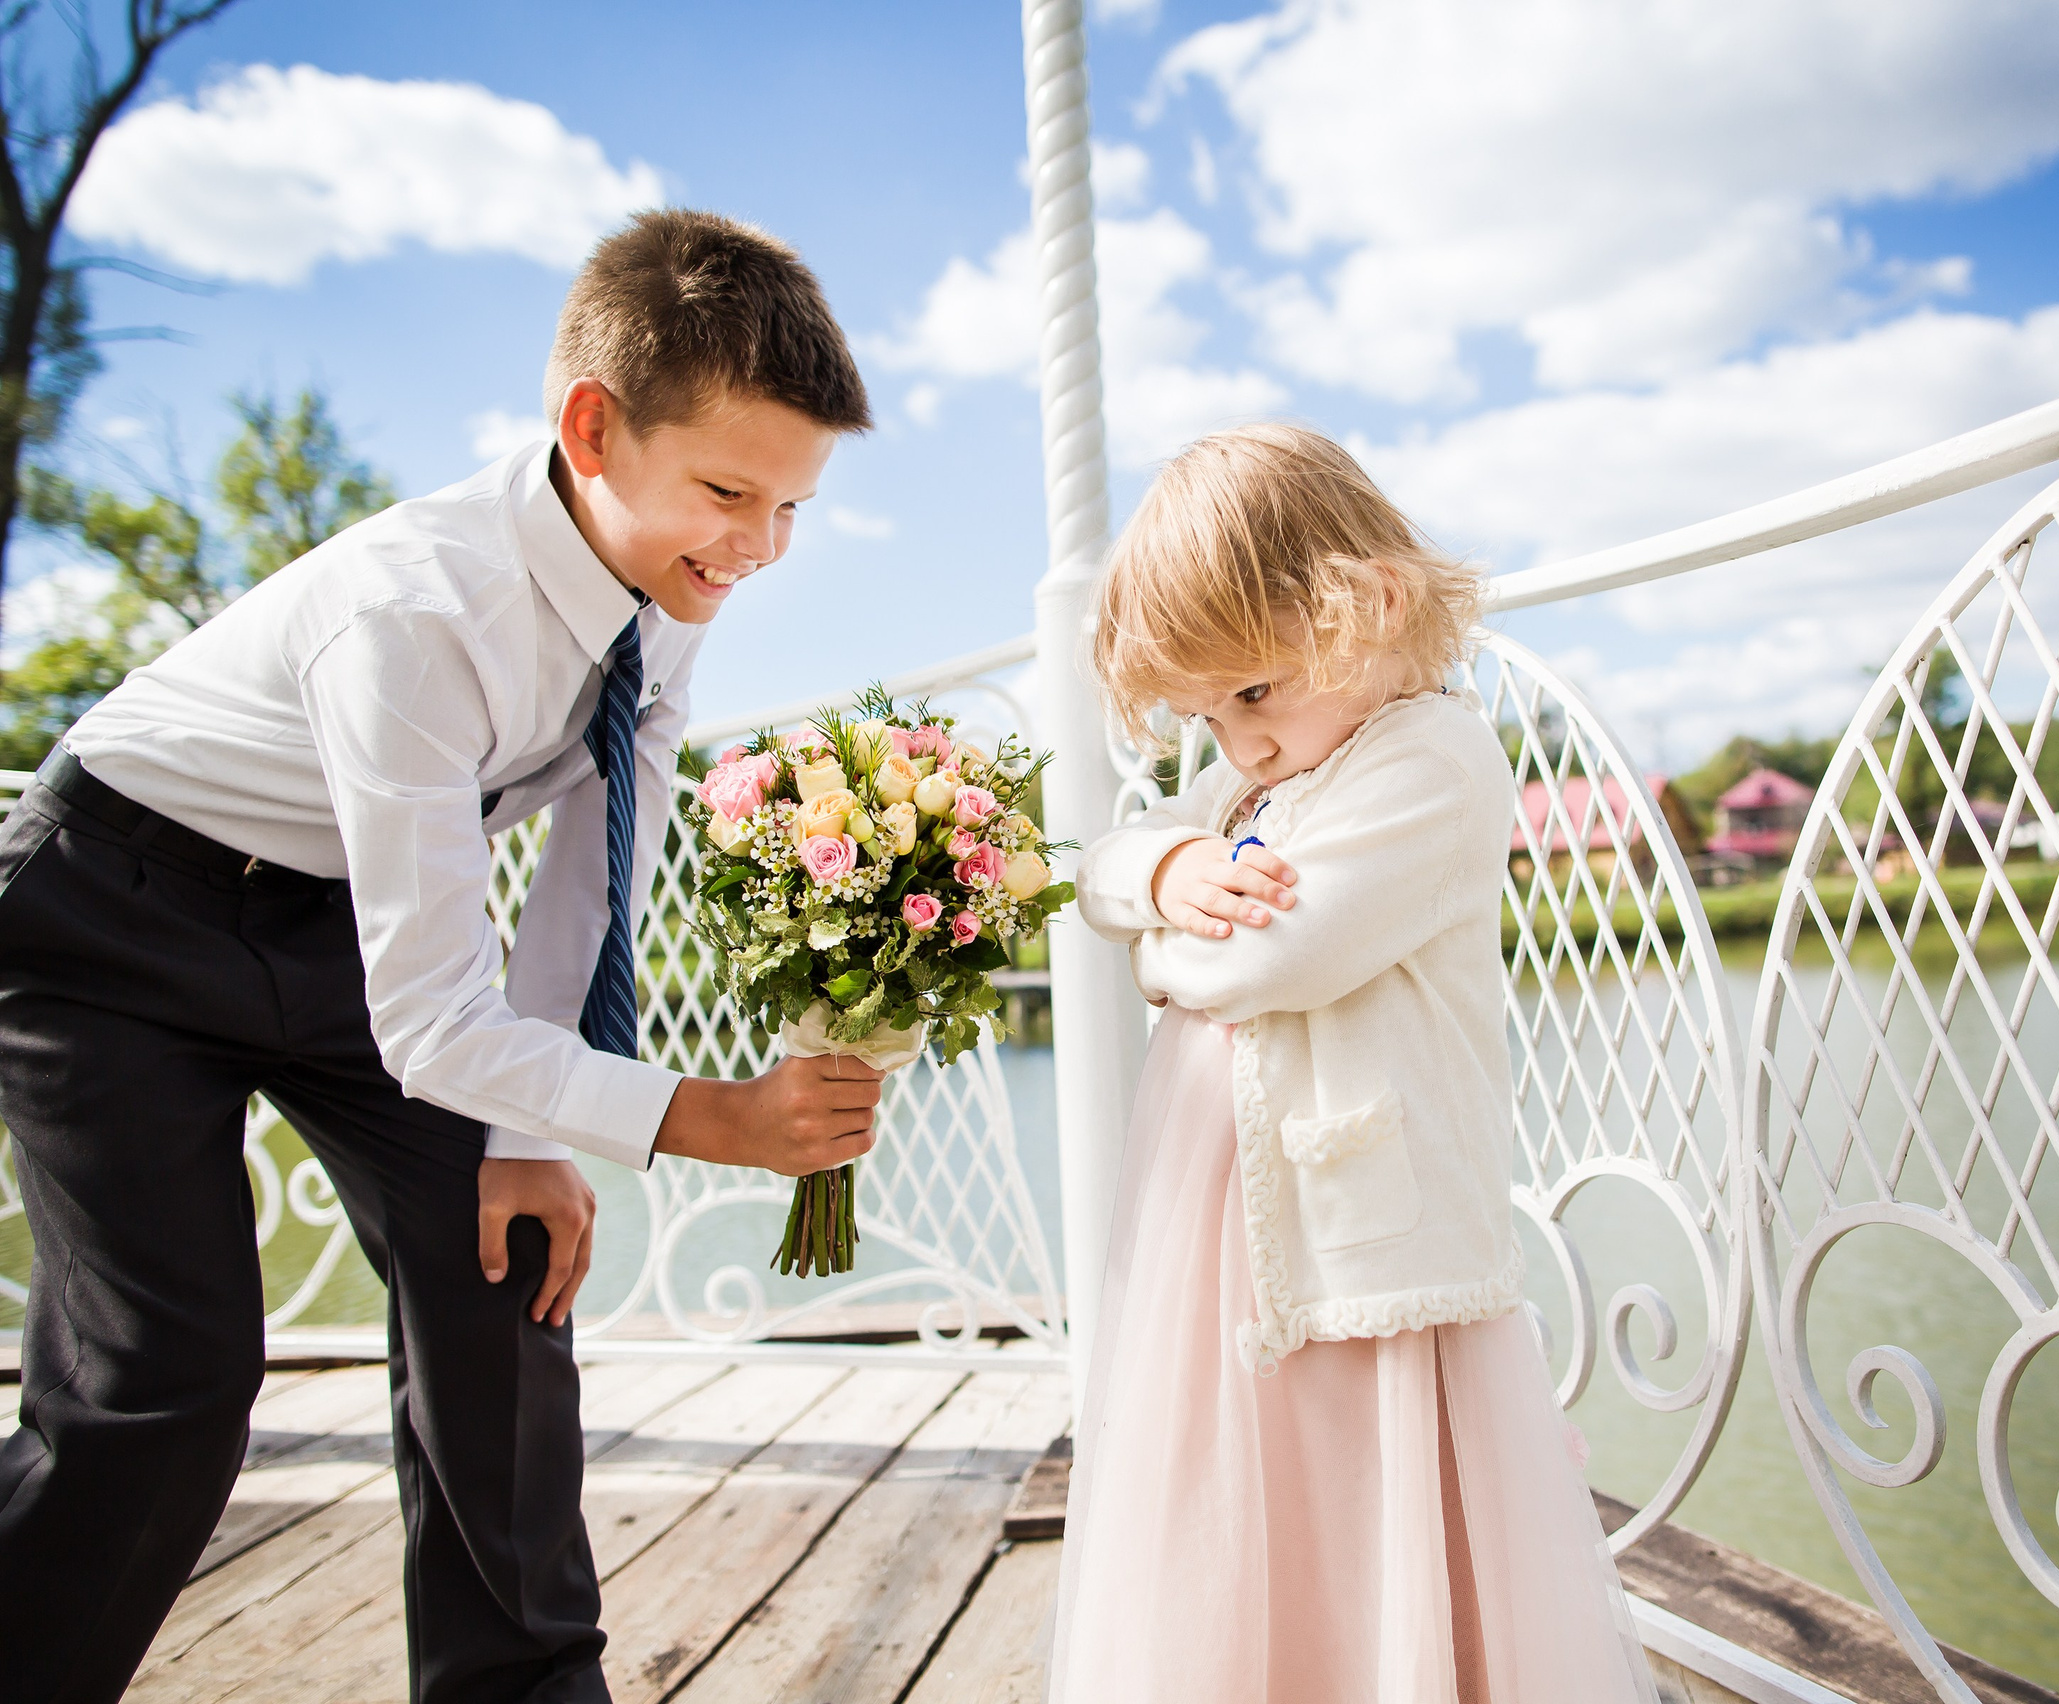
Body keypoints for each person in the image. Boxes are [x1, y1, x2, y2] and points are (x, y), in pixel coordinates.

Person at [0, 210, 887, 1704]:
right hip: (112, 918)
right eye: (730, 492)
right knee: (169, 1371)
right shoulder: (410, 612)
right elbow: (428, 1023)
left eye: (792, 507)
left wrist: (533, 1136)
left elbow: (583, 891)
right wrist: (698, 1115)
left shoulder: (666, 598)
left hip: (337, 920)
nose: (759, 547)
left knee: (507, 1271)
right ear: (592, 428)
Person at [1052, 424, 1654, 1703]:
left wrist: (1159, 954)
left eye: (1255, 694)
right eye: (1208, 715)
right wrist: (1167, 872)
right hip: (1220, 1243)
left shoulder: (1428, 760)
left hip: (1366, 1242)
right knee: (1234, 1490)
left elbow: (1276, 958)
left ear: (1366, 606)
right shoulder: (1252, 789)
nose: (1239, 745)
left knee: (1367, 1490)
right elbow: (1098, 866)